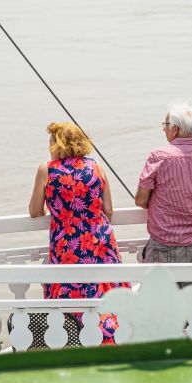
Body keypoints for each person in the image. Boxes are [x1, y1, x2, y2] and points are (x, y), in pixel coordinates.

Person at [28, 122, 127, 343]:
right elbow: (108, 209)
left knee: (71, 290)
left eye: (51, 142)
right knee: (105, 288)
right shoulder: (97, 167)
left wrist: (57, 208)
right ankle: (111, 336)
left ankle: (76, 337)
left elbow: (35, 211)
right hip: (99, 238)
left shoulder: (47, 170)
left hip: (68, 243)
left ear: (59, 144)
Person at [135, 103, 192, 270]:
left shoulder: (158, 156)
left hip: (161, 246)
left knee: (158, 288)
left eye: (165, 125)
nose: (164, 129)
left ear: (175, 129)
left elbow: (141, 200)